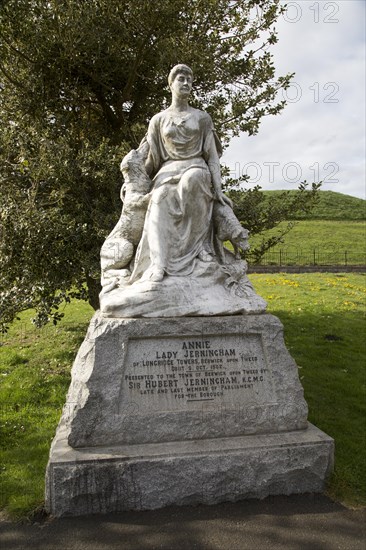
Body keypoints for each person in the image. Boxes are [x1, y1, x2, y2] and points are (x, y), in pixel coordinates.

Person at [129, 64, 232, 284]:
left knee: (191, 181)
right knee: (159, 198)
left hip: (197, 169)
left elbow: (212, 157)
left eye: (189, 80)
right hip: (166, 173)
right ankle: (159, 263)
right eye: (181, 79)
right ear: (171, 84)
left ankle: (199, 249)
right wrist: (132, 181)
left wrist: (219, 190)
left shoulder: (202, 118)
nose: (186, 83)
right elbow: (151, 160)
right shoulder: (158, 120)